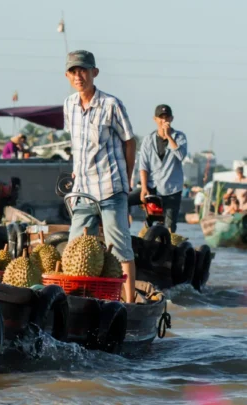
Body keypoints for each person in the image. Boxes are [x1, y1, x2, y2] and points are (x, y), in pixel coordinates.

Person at [63, 50, 137, 303]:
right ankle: (80, 301)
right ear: (67, 76)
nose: (78, 75)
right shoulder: (69, 105)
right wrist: (76, 169)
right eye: (73, 71)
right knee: (75, 249)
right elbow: (77, 144)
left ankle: (129, 303)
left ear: (94, 73)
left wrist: (126, 180)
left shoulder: (111, 104)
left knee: (119, 249)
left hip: (110, 187)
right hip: (83, 190)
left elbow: (129, 141)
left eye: (83, 70)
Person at [132, 105, 188, 233]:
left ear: (171, 118)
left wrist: (169, 136)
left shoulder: (179, 137)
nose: (164, 120)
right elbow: (143, 165)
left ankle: (168, 247)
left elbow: (180, 156)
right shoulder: (148, 140)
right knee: (124, 201)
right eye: (161, 118)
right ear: (155, 119)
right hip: (152, 186)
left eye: (166, 117)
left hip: (171, 189)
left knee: (170, 227)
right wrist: (144, 188)